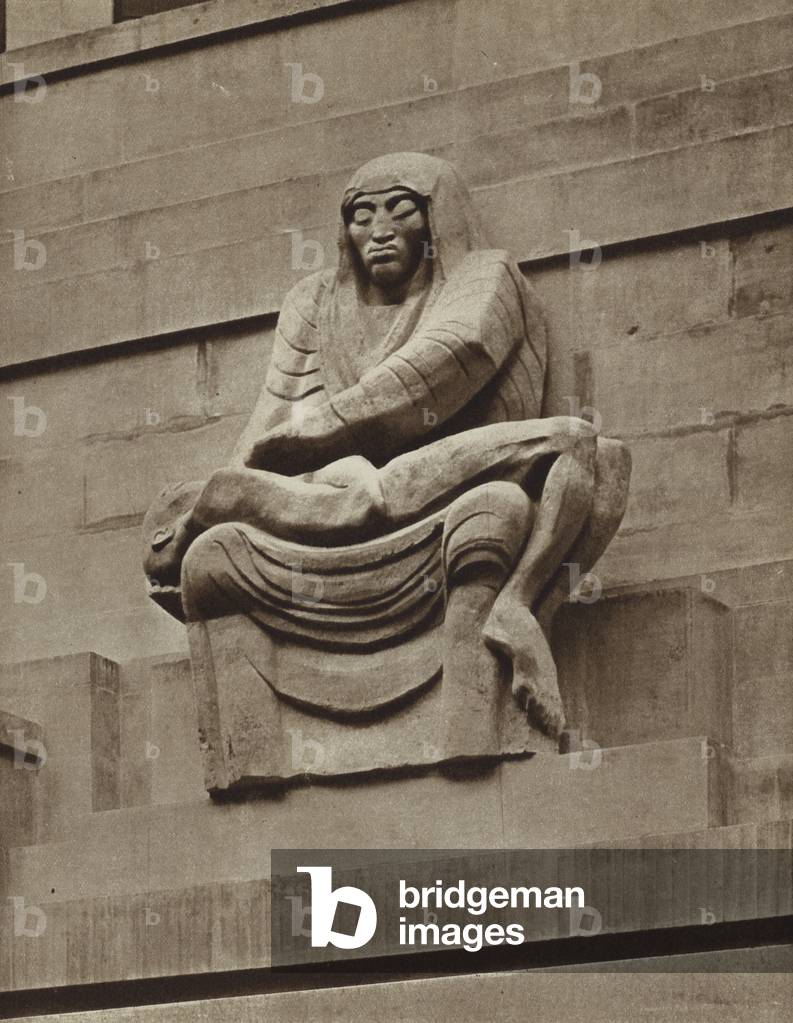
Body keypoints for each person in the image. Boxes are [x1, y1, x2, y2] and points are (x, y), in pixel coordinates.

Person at [143, 152, 630, 739]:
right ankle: (511, 602)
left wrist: (312, 434)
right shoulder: (313, 303)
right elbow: (268, 425)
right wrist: (243, 479)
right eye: (361, 216)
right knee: (222, 543)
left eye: (401, 210)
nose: (379, 231)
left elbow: (453, 357)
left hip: (443, 484)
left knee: (591, 457)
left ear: (438, 218)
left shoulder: (485, 276)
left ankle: (517, 605)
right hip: (350, 496)